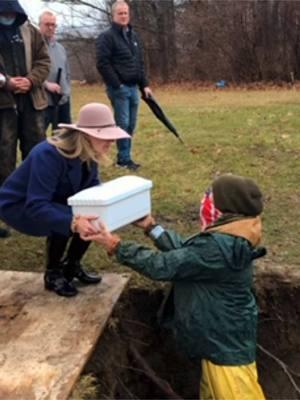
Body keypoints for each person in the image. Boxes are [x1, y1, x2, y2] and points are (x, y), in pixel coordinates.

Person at [83, 174, 266, 399]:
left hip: (225, 348)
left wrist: (116, 246)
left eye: (211, 198)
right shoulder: (235, 233)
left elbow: (162, 266)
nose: (205, 201)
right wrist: (151, 227)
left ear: (226, 208)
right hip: (220, 340)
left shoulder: (220, 246)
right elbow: (188, 256)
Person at [0, 102, 130, 297]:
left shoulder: (89, 152)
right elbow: (37, 204)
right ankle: (53, 273)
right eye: (105, 137)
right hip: (20, 205)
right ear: (86, 135)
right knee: (69, 215)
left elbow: (91, 190)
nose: (111, 142)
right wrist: (73, 222)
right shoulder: (48, 155)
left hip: (51, 200)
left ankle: (72, 266)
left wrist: (107, 205)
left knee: (92, 214)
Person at [0, 0, 51, 238]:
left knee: (37, 155)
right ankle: (4, 211)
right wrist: (6, 83)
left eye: (12, 12)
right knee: (3, 159)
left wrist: (30, 80)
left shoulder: (30, 31)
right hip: (3, 106)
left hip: (32, 104)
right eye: (4, 12)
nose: (8, 16)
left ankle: (36, 206)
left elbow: (44, 61)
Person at [96, 0, 152, 170]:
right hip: (119, 89)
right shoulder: (106, 37)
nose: (123, 16)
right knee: (123, 123)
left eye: (126, 13)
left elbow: (139, 63)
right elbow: (102, 63)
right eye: (120, 13)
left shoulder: (133, 36)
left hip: (134, 87)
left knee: (131, 124)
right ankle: (123, 159)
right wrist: (117, 84)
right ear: (113, 15)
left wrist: (145, 85)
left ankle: (127, 156)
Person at [39, 9, 72, 131]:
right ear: (40, 25)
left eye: (53, 24)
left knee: (65, 138)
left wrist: (67, 91)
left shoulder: (60, 48)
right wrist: (46, 85)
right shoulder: (34, 47)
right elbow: (29, 73)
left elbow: (67, 73)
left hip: (62, 100)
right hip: (43, 102)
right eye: (47, 24)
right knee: (38, 139)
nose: (51, 28)